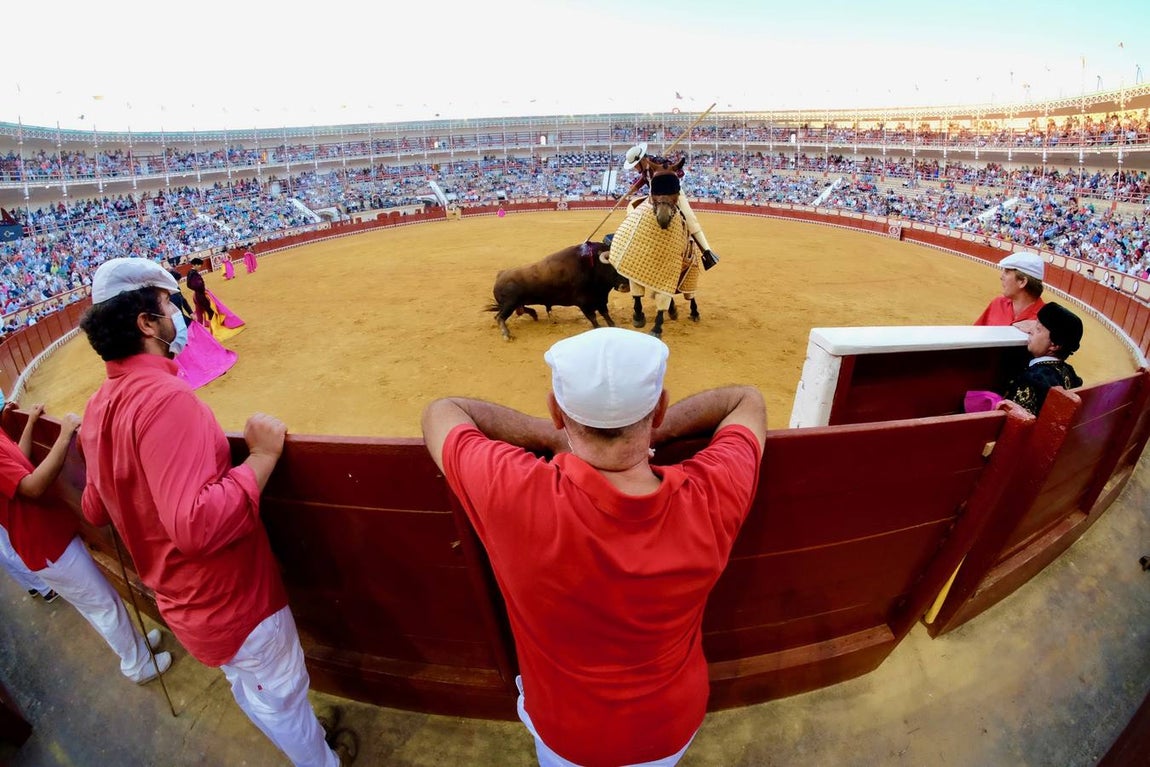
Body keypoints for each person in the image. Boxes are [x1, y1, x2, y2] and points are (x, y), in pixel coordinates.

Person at [421, 327, 766, 767]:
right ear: (660, 408)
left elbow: (442, 412)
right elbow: (746, 400)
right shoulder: (713, 493)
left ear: (556, 411)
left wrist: (552, 437)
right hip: (671, 724)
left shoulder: (511, 490)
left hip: (568, 733)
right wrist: (644, 433)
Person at [76, 258, 356, 766]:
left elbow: (94, 507)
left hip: (181, 603)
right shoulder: (165, 398)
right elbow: (197, 524)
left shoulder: (99, 406)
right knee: (282, 694)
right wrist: (263, 457)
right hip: (231, 599)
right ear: (146, 324)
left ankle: (308, 746)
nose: (177, 314)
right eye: (168, 305)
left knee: (251, 688)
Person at [0, 401, 171, 683]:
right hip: (47, 545)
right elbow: (32, 486)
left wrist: (29, 423)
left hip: (48, 538)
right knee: (102, 604)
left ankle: (136, 648)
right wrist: (64, 434)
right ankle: (136, 664)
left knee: (98, 601)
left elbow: (19, 460)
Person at [622, 143, 719, 269]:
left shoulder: (658, 162)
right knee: (633, 207)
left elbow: (680, 173)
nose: (635, 168)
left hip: (672, 193)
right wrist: (631, 190)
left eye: (635, 165)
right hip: (655, 197)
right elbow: (642, 180)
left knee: (689, 216)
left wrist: (666, 168)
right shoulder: (646, 170)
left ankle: (707, 252)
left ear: (641, 161)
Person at [1000, 302, 1084, 415]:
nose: (1030, 331)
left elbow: (1015, 419)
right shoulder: (1069, 372)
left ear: (1054, 345)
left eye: (1038, 329)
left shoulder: (1032, 379)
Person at [973, 251, 1046, 330]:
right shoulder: (997, 303)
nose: (1001, 277)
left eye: (1007, 272)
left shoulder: (1047, 321)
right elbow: (975, 334)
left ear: (1022, 282)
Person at [186, 258, 246, 342]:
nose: (200, 267)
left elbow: (188, 285)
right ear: (195, 265)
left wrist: (198, 288)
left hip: (196, 295)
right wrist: (202, 287)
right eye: (199, 265)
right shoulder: (194, 274)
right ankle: (213, 332)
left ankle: (199, 333)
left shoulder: (189, 273)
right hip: (201, 296)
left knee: (199, 314)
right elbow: (197, 285)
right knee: (210, 312)